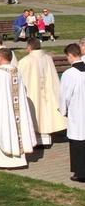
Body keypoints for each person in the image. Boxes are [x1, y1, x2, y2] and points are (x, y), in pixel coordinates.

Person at [0, 47, 37, 169]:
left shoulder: (0, 75)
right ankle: (19, 161)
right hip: (16, 111)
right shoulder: (17, 72)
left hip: (4, 112)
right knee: (17, 129)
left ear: (0, 58)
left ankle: (4, 161)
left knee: (5, 129)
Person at [17, 37, 67, 146]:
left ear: (29, 47)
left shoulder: (25, 61)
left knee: (36, 113)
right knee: (46, 111)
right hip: (47, 91)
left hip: (32, 92)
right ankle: (45, 134)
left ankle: (36, 137)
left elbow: (18, 76)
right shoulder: (48, 58)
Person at [60, 43, 85, 182]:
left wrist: (63, 109)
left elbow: (65, 95)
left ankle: (80, 173)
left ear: (70, 56)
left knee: (78, 142)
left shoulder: (70, 74)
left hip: (77, 111)